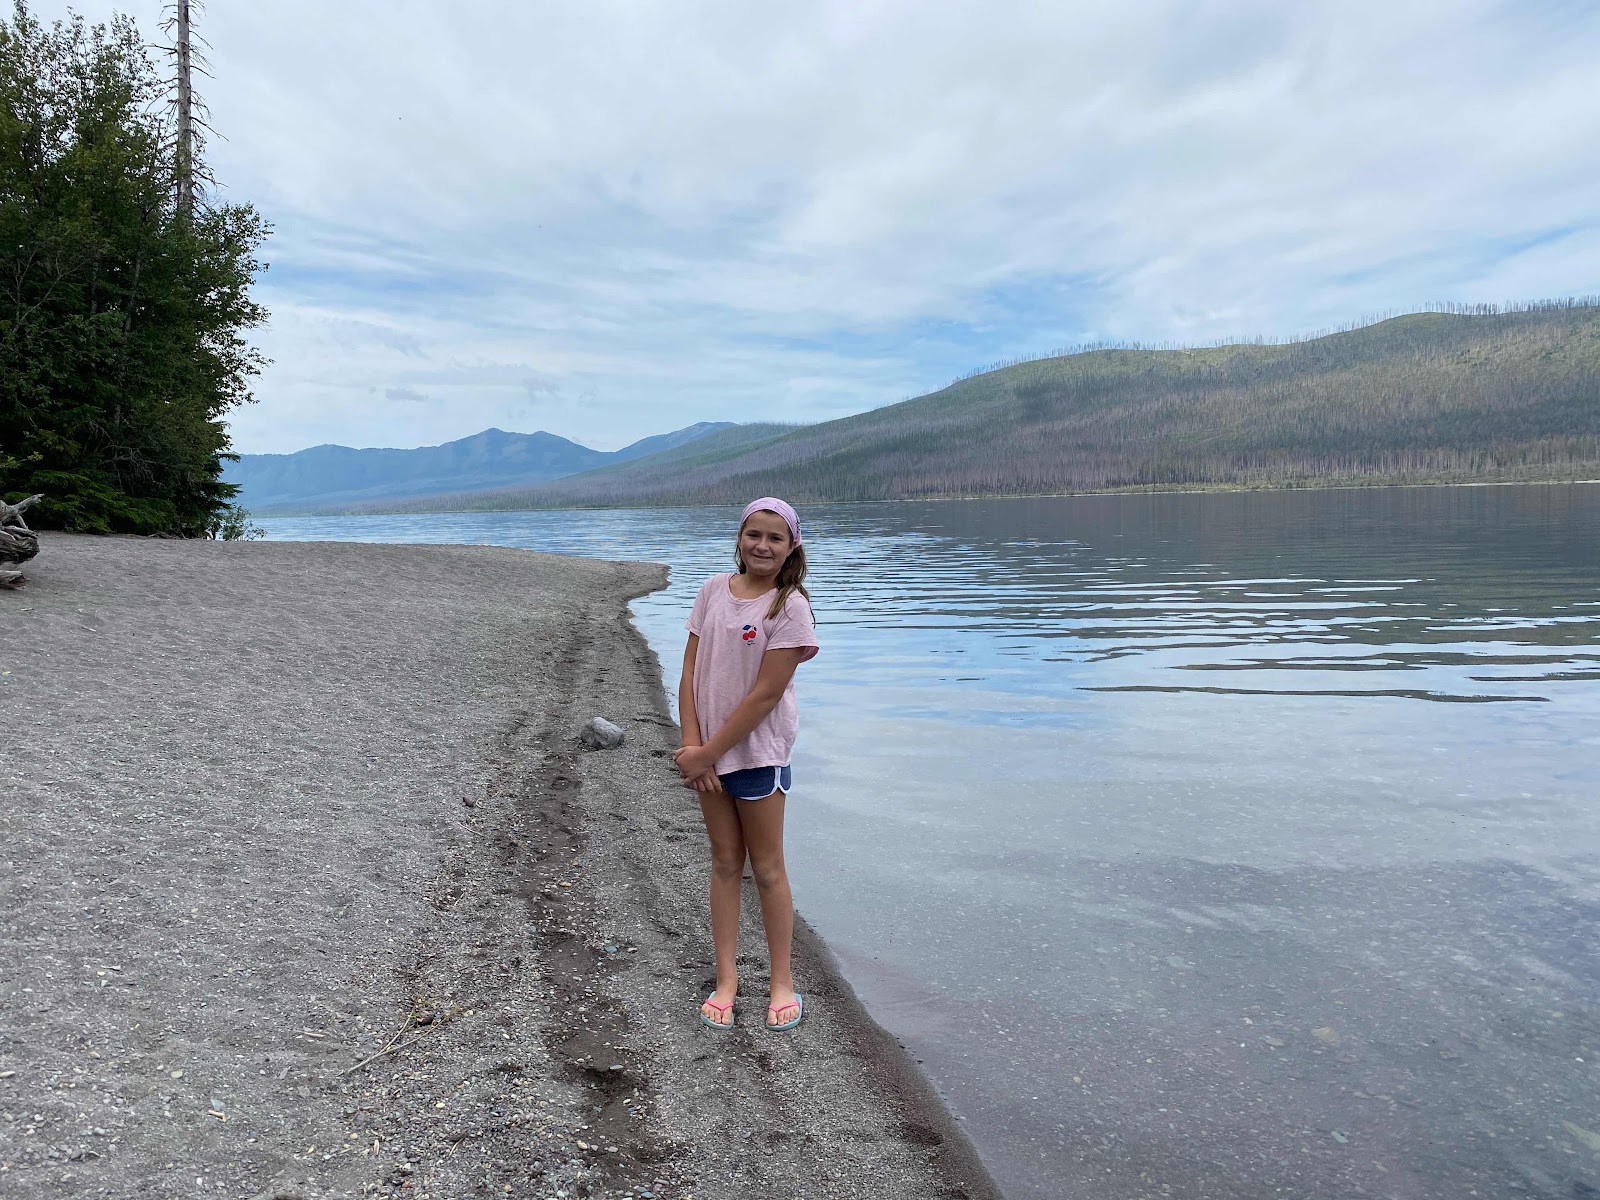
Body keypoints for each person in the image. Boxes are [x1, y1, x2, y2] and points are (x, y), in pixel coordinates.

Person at [675, 497, 819, 1031]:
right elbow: (689, 673)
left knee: (768, 868)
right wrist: (693, 748)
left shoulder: (789, 607)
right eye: (753, 534)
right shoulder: (713, 590)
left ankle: (781, 980)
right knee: (724, 861)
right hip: (707, 757)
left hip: (758, 754)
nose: (762, 545)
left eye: (775, 538)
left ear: (791, 547)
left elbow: (765, 695)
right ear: (739, 538)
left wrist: (707, 754)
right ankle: (726, 979)